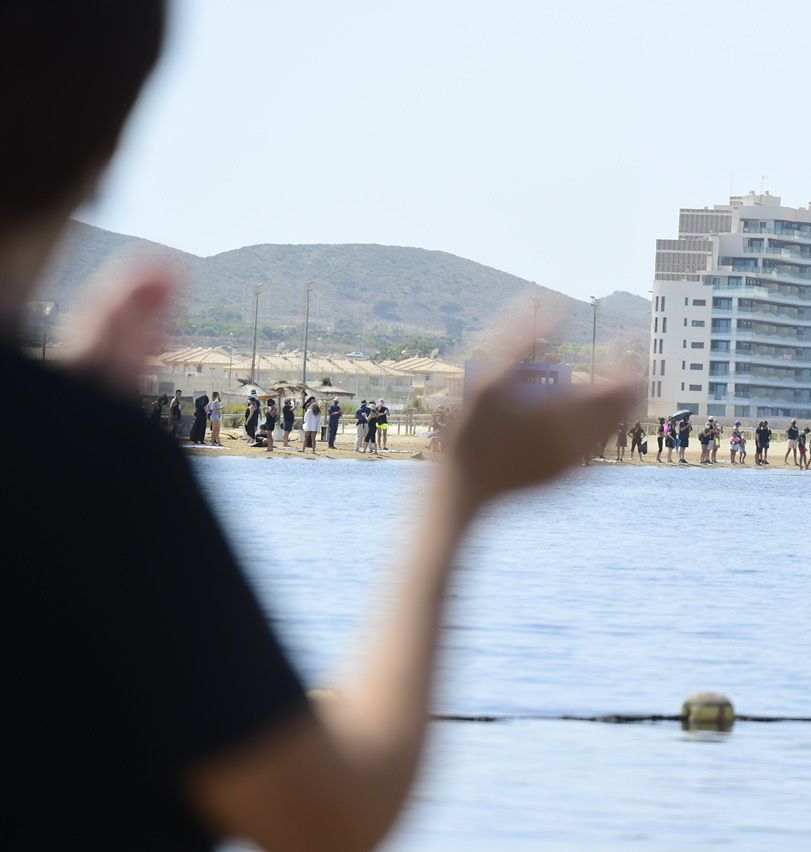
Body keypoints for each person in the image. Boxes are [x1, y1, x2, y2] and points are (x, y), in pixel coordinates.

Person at [4, 7, 638, 848]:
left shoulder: (70, 455)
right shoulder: (85, 468)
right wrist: (457, 495)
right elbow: (332, 818)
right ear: (106, 147)